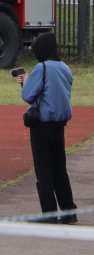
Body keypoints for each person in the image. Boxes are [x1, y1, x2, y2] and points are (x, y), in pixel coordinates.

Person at [16, 32, 77, 223]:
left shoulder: (41, 68)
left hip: (41, 127)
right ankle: (69, 211)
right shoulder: (65, 68)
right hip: (59, 126)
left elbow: (28, 95)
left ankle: (48, 213)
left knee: (44, 172)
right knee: (60, 170)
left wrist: (25, 81)